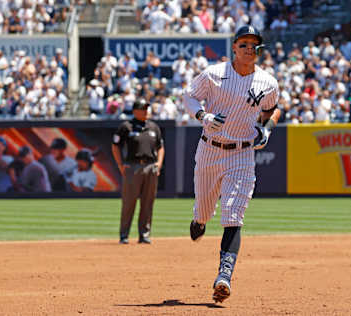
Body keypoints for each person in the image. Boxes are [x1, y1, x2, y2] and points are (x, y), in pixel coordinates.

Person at [183, 25, 281, 303]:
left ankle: (224, 275)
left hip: (242, 153)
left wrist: (268, 128)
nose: (250, 49)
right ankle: (199, 219)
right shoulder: (214, 74)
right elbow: (187, 96)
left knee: (233, 214)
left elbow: (274, 108)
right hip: (210, 150)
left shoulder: (268, 82)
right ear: (234, 47)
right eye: (244, 44)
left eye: (255, 45)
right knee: (204, 209)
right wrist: (203, 115)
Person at [111, 99, 165, 245]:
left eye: (147, 109)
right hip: (132, 167)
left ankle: (144, 235)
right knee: (129, 202)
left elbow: (160, 147)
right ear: (135, 111)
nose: (146, 111)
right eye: (143, 109)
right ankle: (124, 235)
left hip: (150, 167)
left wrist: (159, 164)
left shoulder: (154, 127)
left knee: (148, 202)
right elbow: (115, 146)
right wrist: (120, 164)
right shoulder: (126, 126)